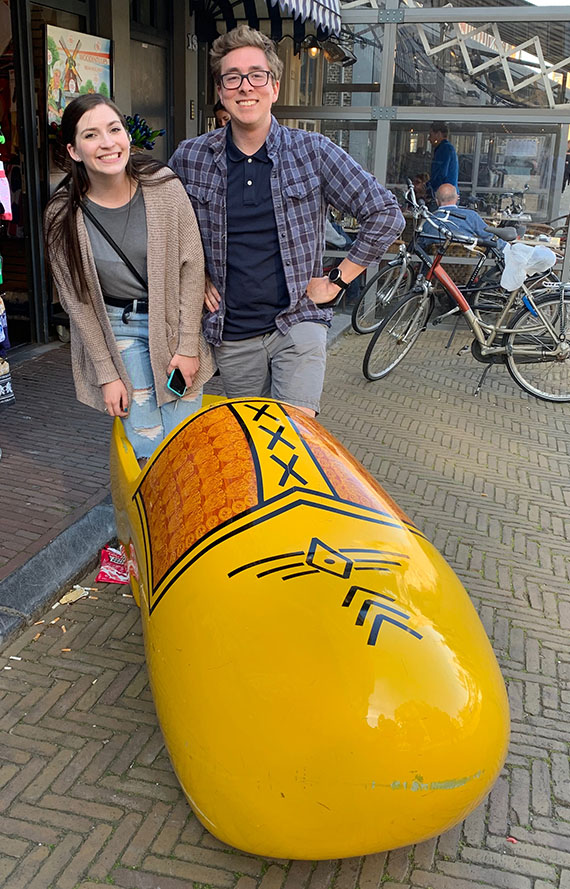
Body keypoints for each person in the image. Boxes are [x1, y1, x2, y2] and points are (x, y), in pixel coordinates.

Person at [170, 25, 404, 417]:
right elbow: (166, 232)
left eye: (256, 75)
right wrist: (197, 276)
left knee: (295, 435)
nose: (246, 86)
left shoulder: (312, 151)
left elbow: (385, 213)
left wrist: (338, 280)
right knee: (253, 441)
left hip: (297, 322)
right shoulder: (190, 158)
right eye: (233, 77)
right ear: (221, 91)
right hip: (232, 333)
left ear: (274, 88)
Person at [44, 94, 214, 465]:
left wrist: (187, 347)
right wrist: (107, 373)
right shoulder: (62, 215)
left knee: (186, 439)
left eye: (114, 129)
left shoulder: (163, 186)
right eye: (91, 135)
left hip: (170, 323)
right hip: (118, 330)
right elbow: (78, 302)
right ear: (74, 151)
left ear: (127, 136)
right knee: (147, 441)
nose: (107, 142)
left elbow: (191, 266)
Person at [419, 184, 507, 252]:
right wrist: (508, 248)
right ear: (457, 198)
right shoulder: (471, 216)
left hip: (434, 268)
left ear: (437, 201)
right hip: (467, 270)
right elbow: (489, 237)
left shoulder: (429, 220)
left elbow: (421, 244)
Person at [426, 122, 459, 204]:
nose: (429, 139)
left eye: (431, 135)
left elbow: (441, 173)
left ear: (438, 134)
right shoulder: (447, 148)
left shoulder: (444, 149)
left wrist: (428, 186)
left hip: (444, 195)